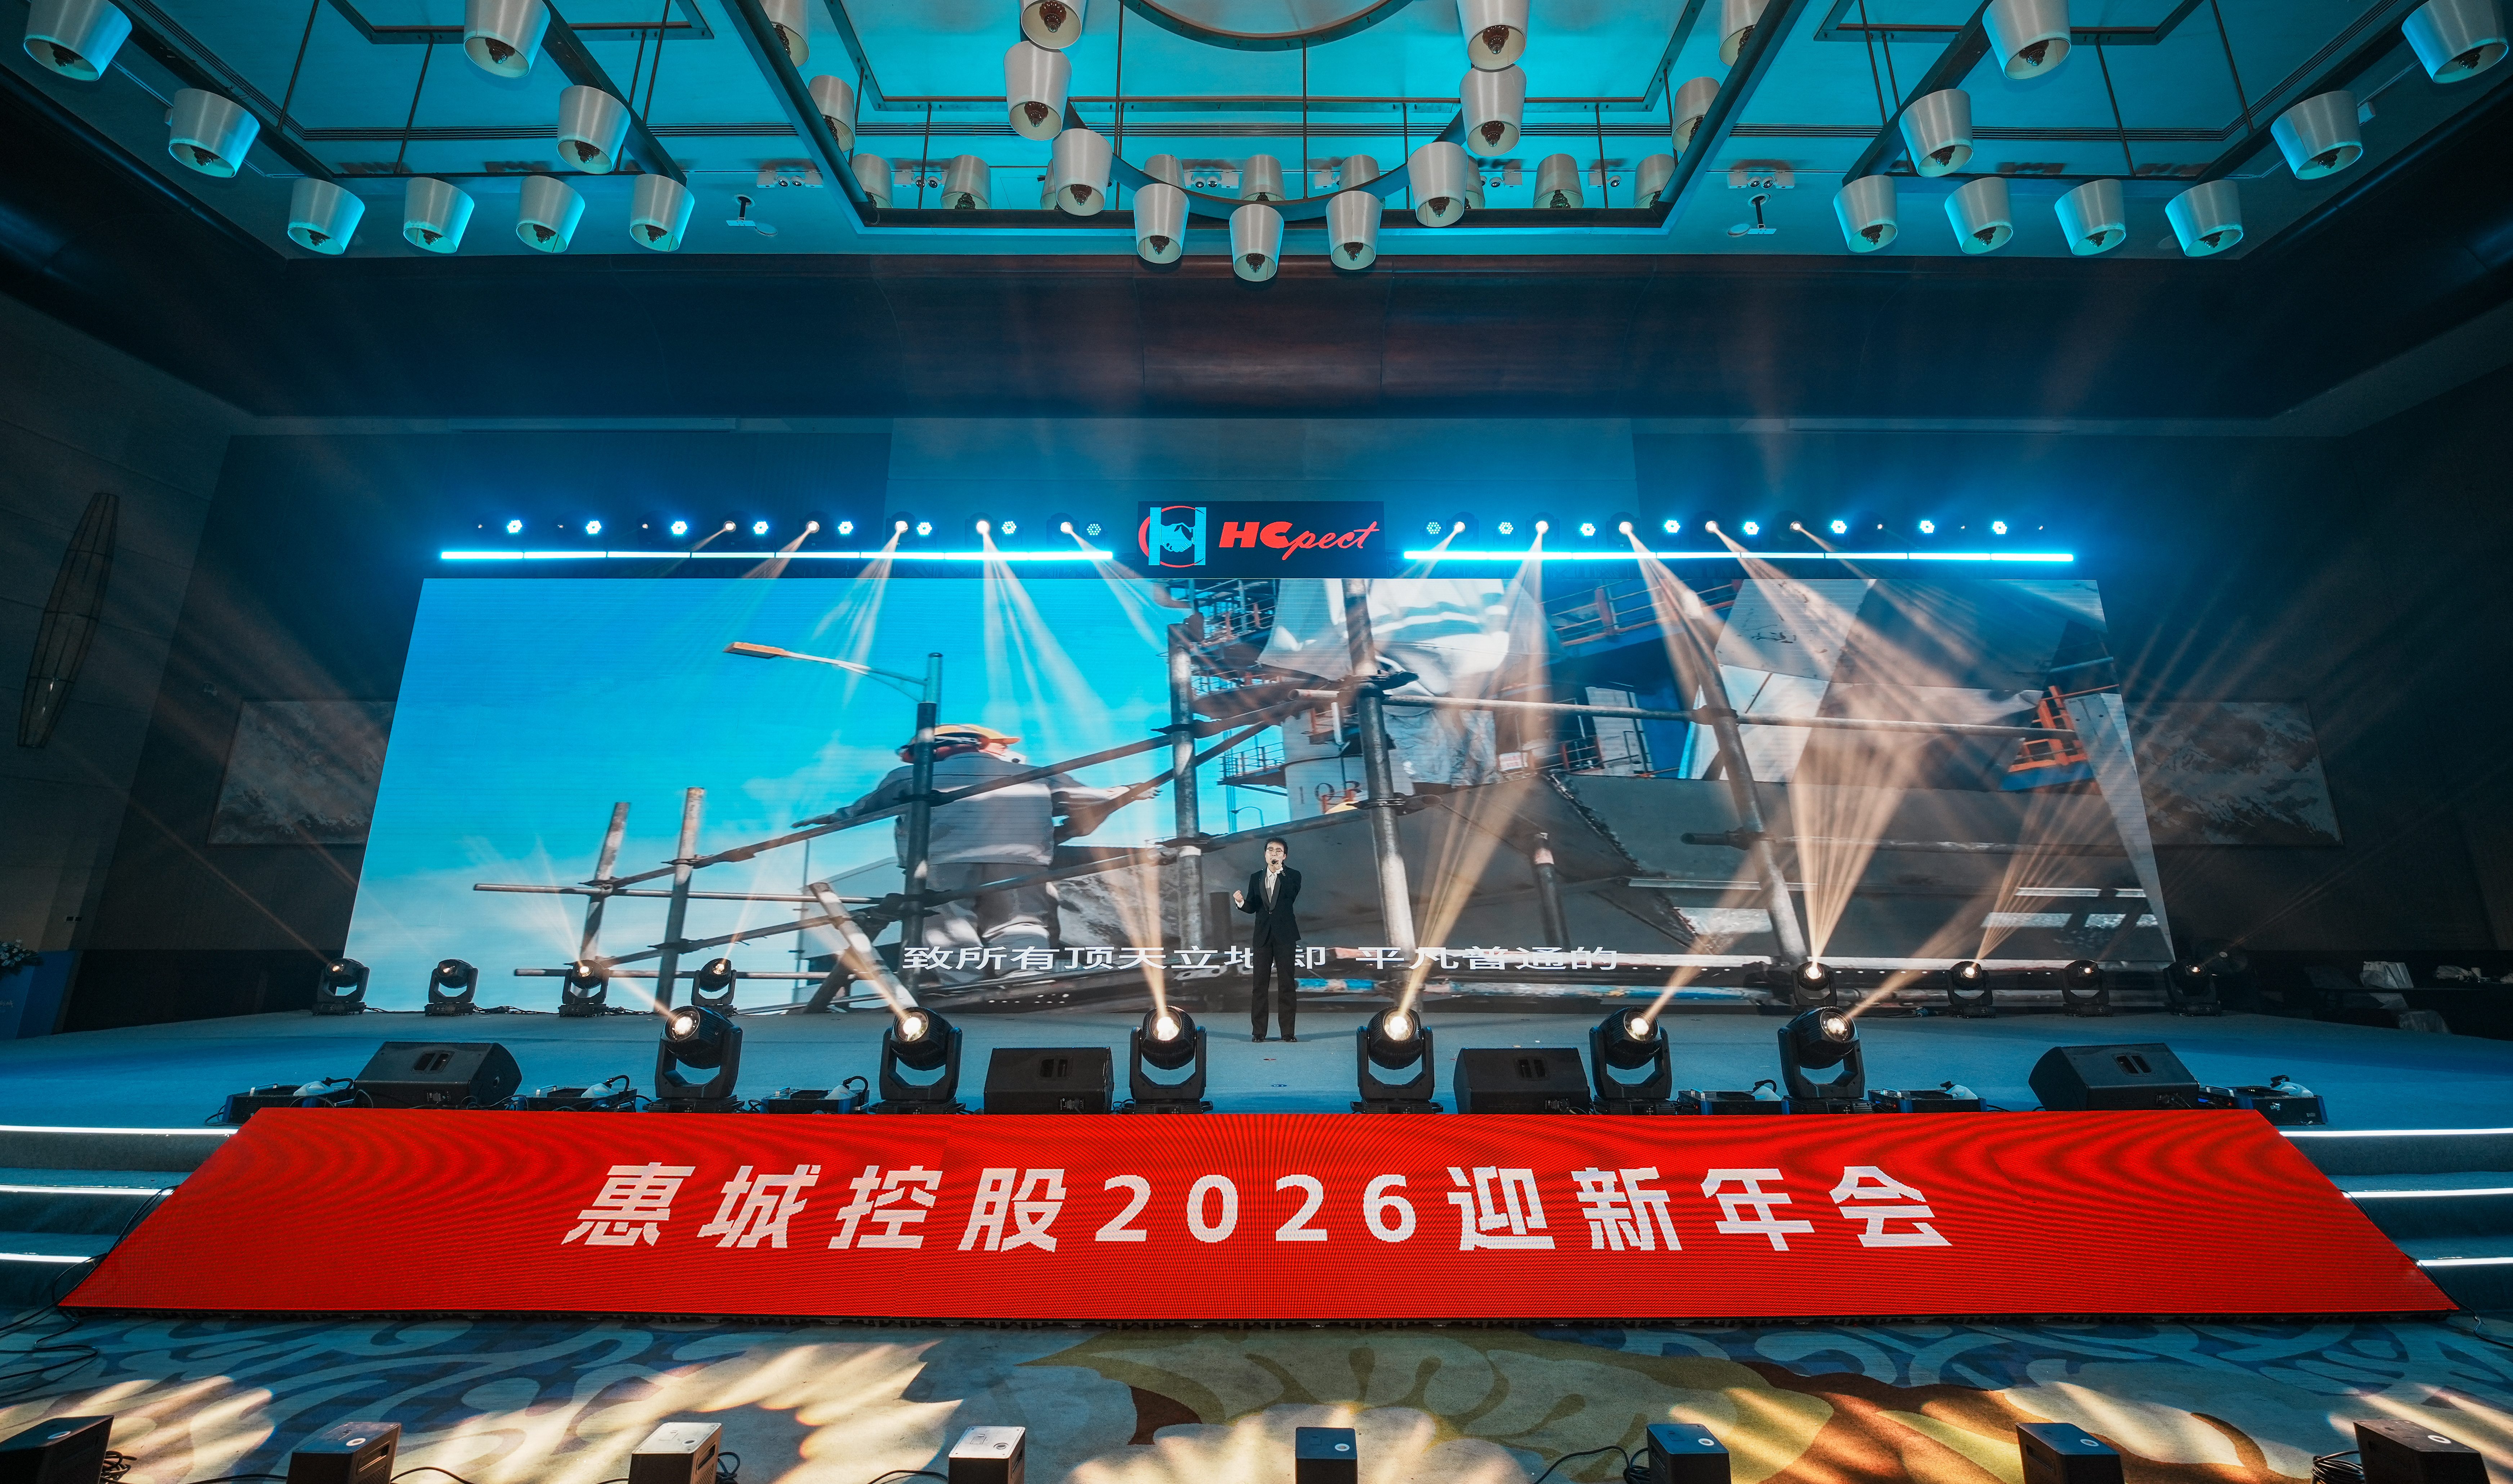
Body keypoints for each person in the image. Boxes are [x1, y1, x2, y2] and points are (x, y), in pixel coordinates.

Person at [834, 723, 1128, 988]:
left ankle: (963, 983)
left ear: (933, 749)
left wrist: (833, 818)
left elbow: (862, 810)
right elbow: (1092, 798)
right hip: (1020, 859)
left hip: (943, 859)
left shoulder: (910, 775)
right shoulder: (1037, 774)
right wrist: (1127, 791)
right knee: (1020, 921)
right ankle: (1024, 977)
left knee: (948, 925)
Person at [1232, 836, 1302, 1042]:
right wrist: (1241, 903)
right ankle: (1259, 1032)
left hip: (1285, 936)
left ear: (1285, 856)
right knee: (1259, 986)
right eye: (1271, 850)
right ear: (1265, 855)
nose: (1274, 854)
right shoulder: (1256, 877)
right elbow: (1253, 906)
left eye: (1278, 851)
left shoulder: (1293, 875)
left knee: (1287, 985)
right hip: (1262, 936)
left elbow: (1291, 895)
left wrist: (1280, 871)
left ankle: (1288, 1032)